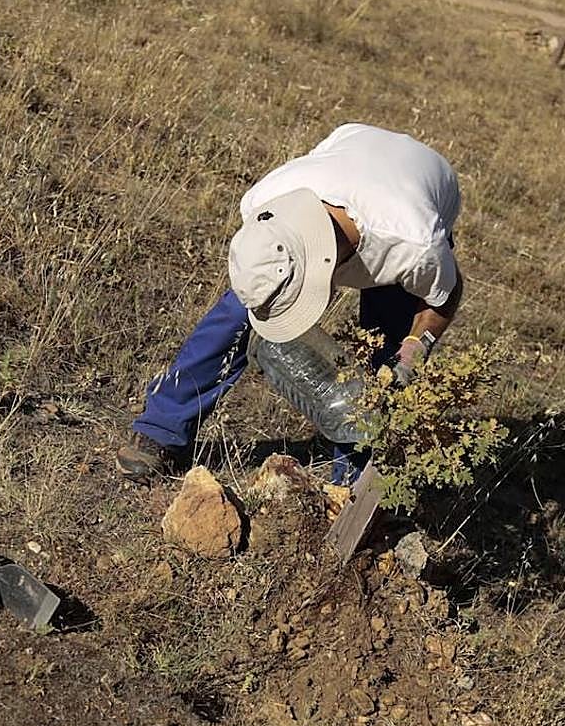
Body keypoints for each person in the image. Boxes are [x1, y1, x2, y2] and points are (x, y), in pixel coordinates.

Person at [116, 123, 464, 484]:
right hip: (349, 146)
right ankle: (162, 427)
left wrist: (413, 350)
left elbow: (445, 295)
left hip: (424, 184)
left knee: (383, 351)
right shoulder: (263, 202)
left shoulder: (414, 245)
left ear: (322, 273)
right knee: (238, 312)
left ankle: (350, 481)